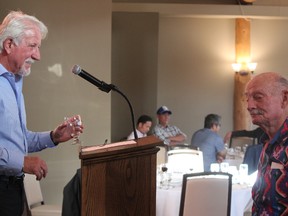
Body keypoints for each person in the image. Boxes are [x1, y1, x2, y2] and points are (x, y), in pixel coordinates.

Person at [0, 11, 83, 216]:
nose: (38, 55)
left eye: (38, 47)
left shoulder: (14, 81)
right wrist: (22, 162)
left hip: (13, 190)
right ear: (9, 45)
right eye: (32, 46)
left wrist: (53, 137)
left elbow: (17, 139)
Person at [245, 72, 288, 215]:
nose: (249, 106)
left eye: (258, 97)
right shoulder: (268, 141)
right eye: (247, 98)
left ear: (284, 98)